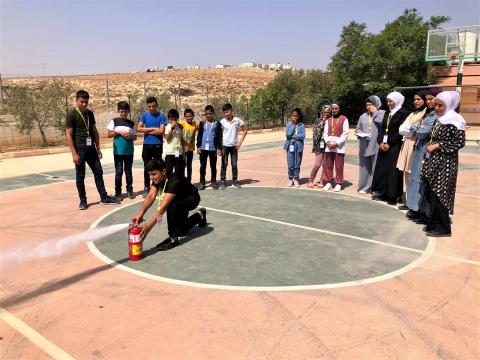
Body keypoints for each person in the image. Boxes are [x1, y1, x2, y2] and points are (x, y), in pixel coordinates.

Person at [132, 159, 207, 250]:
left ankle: (173, 238)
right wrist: (140, 214)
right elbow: (151, 196)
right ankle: (200, 214)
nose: (151, 177)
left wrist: (149, 226)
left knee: (171, 205)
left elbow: (163, 206)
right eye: (149, 174)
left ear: (163, 171)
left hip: (191, 198)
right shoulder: (158, 178)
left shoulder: (174, 181)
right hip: (179, 199)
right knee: (181, 230)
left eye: (154, 174)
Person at [421, 91, 465, 237]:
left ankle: (443, 228)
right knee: (432, 194)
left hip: (446, 163)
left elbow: (459, 142)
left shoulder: (456, 120)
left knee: (440, 195)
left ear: (450, 104)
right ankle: (433, 224)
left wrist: (438, 146)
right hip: (434, 161)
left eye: (441, 105)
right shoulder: (441, 119)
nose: (437, 108)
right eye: (436, 105)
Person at [66, 90, 119, 210]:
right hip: (80, 150)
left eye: (86, 102)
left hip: (91, 150)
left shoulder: (90, 113)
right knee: (80, 175)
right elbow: (68, 135)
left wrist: (98, 147)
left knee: (98, 172)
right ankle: (83, 201)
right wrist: (74, 154)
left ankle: (104, 198)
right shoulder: (71, 114)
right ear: (76, 100)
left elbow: (94, 131)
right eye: (82, 102)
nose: (84, 104)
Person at [371, 91, 410, 204]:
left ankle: (393, 195)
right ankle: (383, 192)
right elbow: (382, 129)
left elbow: (401, 130)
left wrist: (390, 143)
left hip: (394, 146)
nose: (388, 103)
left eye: (391, 101)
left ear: (397, 101)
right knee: (383, 169)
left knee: (393, 171)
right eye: (387, 101)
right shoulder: (388, 113)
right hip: (384, 146)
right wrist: (380, 142)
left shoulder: (403, 113)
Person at [405, 90, 437, 221]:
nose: (429, 101)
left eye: (431, 99)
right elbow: (411, 126)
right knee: (415, 178)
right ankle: (414, 207)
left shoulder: (436, 115)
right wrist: (417, 128)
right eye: (427, 99)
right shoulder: (427, 113)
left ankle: (421, 210)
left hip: (426, 148)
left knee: (421, 180)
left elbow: (423, 132)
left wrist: (416, 128)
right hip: (419, 147)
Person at [396, 91, 429, 209]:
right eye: (415, 99)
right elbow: (402, 129)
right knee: (406, 172)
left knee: (413, 172)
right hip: (407, 143)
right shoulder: (413, 113)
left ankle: (414, 202)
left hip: (416, 144)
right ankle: (407, 201)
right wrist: (412, 130)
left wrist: (411, 131)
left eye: (419, 99)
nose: (416, 101)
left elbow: (415, 131)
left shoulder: (426, 114)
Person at [106, 101, 138, 202]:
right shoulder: (114, 121)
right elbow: (108, 134)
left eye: (125, 111)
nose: (123, 113)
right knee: (118, 172)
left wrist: (130, 136)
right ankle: (118, 193)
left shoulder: (131, 123)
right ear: (118, 111)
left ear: (128, 111)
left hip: (129, 152)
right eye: (121, 111)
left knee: (128, 171)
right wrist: (118, 132)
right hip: (118, 152)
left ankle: (130, 190)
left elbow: (135, 137)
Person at [137, 96, 167, 198]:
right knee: (147, 167)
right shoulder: (144, 115)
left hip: (158, 144)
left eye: (153, 106)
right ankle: (147, 187)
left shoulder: (162, 116)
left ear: (157, 105)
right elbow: (138, 128)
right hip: (146, 145)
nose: (151, 108)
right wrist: (153, 128)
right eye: (149, 106)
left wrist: (147, 130)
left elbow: (161, 131)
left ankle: (159, 186)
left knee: (158, 167)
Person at [355, 96, 385, 194]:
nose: (368, 107)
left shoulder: (382, 113)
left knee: (375, 167)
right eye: (367, 105)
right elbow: (357, 129)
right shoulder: (363, 116)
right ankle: (364, 187)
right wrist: (360, 133)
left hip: (376, 144)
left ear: (376, 104)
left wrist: (375, 112)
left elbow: (382, 124)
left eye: (371, 104)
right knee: (364, 167)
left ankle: (375, 188)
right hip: (364, 144)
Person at [219, 103, 248, 189]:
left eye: (227, 112)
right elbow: (219, 135)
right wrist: (219, 147)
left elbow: (245, 130)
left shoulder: (237, 120)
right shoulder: (222, 122)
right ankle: (223, 181)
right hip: (224, 146)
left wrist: (239, 143)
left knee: (234, 164)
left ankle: (235, 181)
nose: (226, 114)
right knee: (224, 164)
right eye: (224, 112)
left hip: (234, 147)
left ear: (231, 111)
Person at [322, 103, 349, 192]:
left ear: (339, 109)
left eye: (336, 108)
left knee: (339, 166)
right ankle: (328, 182)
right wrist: (327, 141)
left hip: (339, 146)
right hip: (329, 145)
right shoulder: (329, 120)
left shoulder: (344, 119)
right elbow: (325, 133)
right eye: (332, 109)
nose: (334, 110)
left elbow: (345, 133)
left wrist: (337, 143)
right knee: (328, 165)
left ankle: (338, 183)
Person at [196, 105, 223, 190]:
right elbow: (199, 136)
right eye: (206, 114)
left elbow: (219, 137)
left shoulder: (217, 124)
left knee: (213, 166)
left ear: (213, 113)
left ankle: (214, 182)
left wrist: (219, 148)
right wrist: (198, 146)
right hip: (203, 149)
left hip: (213, 149)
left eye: (210, 114)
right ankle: (202, 182)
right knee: (202, 166)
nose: (208, 115)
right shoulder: (202, 123)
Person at [308, 105, 331, 189]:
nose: (326, 113)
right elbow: (315, 133)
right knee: (317, 165)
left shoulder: (331, 121)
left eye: (328, 112)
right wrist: (322, 123)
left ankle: (322, 181)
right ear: (322, 112)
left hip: (328, 146)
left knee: (325, 165)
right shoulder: (318, 120)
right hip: (319, 145)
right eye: (325, 112)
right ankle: (310, 180)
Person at [284, 108, 306, 187]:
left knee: (297, 163)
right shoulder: (289, 124)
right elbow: (288, 135)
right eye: (293, 115)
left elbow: (303, 135)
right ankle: (290, 179)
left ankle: (296, 179)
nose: (294, 117)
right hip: (290, 146)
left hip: (299, 146)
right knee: (290, 164)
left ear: (299, 117)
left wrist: (295, 136)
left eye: (296, 116)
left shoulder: (301, 125)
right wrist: (293, 125)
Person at [163, 109, 186, 179]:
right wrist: (172, 128)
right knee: (169, 172)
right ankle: (169, 187)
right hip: (170, 153)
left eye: (175, 119)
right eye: (171, 119)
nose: (173, 121)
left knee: (179, 171)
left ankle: (178, 187)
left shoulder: (180, 127)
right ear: (168, 119)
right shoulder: (167, 126)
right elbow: (167, 138)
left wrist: (183, 152)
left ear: (177, 118)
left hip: (178, 152)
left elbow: (182, 139)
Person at [179, 108, 198, 182]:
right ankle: (182, 181)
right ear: (185, 117)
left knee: (189, 165)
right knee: (183, 165)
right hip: (182, 149)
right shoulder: (182, 123)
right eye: (187, 116)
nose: (189, 117)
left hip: (190, 149)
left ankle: (189, 181)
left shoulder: (195, 124)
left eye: (190, 116)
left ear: (193, 116)